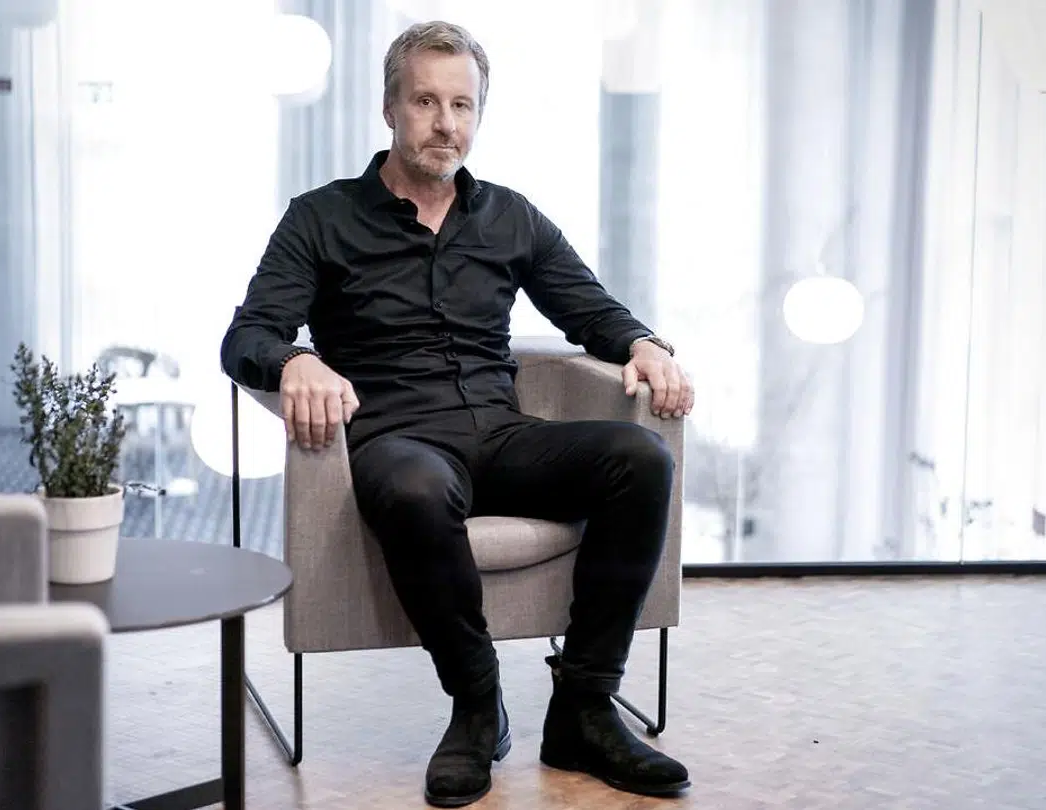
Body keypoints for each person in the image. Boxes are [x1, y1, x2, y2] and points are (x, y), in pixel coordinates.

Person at [220, 19, 695, 809]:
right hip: (398, 441)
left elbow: (590, 309)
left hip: (501, 437)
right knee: (414, 486)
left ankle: (583, 709)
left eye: (462, 105)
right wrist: (295, 359)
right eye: (426, 102)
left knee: (641, 458)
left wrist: (645, 344)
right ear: (390, 108)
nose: (445, 124)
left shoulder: (510, 217)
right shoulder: (321, 218)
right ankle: (476, 703)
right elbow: (248, 337)